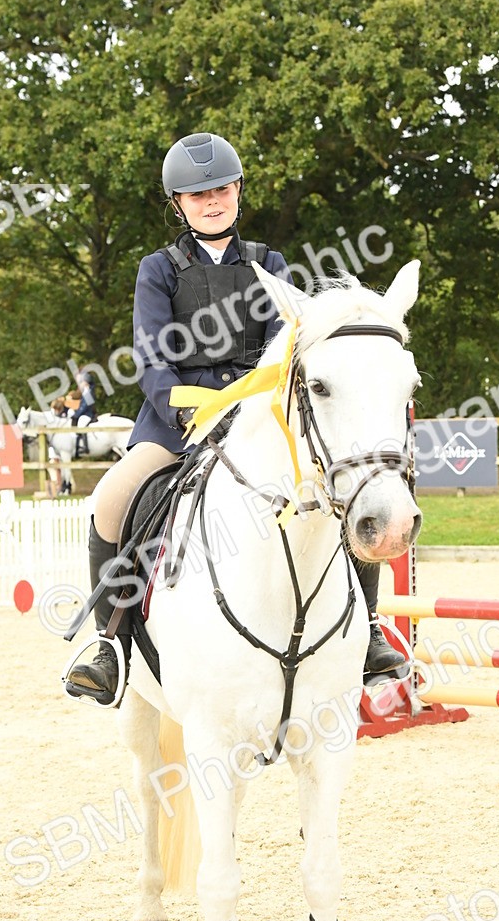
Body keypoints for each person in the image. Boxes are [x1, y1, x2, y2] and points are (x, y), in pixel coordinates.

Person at [65, 132, 405, 705]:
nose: (212, 201)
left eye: (221, 189)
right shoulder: (158, 270)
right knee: (111, 500)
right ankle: (112, 644)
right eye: (197, 195)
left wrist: (255, 407)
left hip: (256, 419)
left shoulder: (269, 263)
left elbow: (286, 347)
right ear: (179, 203)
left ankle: (367, 630)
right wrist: (188, 411)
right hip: (178, 422)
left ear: (239, 191)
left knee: (336, 489)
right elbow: (151, 358)